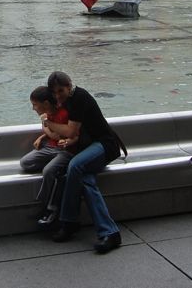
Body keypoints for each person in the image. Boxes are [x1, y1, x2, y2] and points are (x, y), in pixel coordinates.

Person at [46, 71, 126, 254]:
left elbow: (69, 132)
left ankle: (68, 222)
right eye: (54, 92)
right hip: (89, 147)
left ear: (69, 86)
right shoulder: (68, 101)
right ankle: (110, 233)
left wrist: (47, 123)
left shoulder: (79, 98)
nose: (58, 95)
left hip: (105, 145)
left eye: (61, 90)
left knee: (75, 166)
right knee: (86, 180)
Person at [19, 86, 74, 228]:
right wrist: (43, 136)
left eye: (35, 105)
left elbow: (58, 134)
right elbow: (53, 132)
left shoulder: (62, 114)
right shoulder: (49, 115)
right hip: (50, 147)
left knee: (48, 171)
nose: (33, 108)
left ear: (46, 104)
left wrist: (45, 125)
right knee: (25, 163)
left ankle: (46, 206)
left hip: (63, 149)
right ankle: (57, 165)